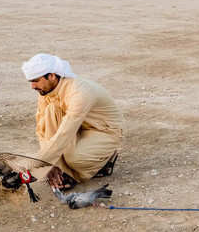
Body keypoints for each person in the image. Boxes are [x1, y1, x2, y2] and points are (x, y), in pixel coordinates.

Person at [21, 53, 123, 190]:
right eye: (30, 81)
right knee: (51, 111)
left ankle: (104, 161)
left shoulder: (79, 92)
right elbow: (42, 130)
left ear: (51, 76)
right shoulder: (46, 92)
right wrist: (49, 165)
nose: (32, 86)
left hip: (103, 131)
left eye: (36, 80)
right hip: (79, 128)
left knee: (75, 159)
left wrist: (38, 166)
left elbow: (65, 133)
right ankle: (64, 172)